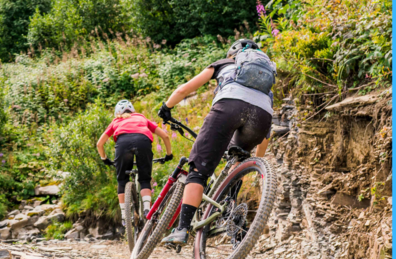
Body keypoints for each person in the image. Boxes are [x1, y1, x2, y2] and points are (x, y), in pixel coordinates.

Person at [158, 39, 275, 245]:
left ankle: (182, 229)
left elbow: (183, 90)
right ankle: (231, 208)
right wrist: (254, 164)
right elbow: (266, 135)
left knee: (199, 170)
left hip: (228, 107)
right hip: (261, 118)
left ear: (233, 54)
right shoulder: (265, 84)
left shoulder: (223, 64)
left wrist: (166, 107)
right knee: (238, 159)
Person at [97, 100, 173, 226]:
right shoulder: (141, 118)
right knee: (144, 179)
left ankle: (123, 216)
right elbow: (165, 136)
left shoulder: (116, 121)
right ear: (133, 111)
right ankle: (147, 211)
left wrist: (104, 159)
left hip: (123, 144)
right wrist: (169, 154)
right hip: (143, 142)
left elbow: (99, 144)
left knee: (122, 180)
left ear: (117, 113)